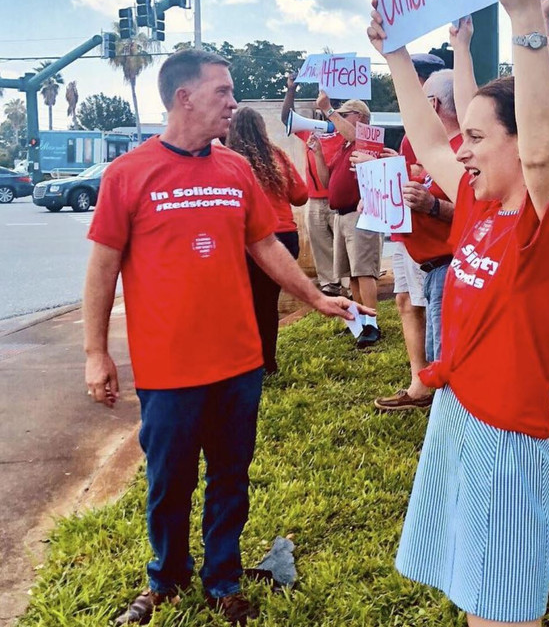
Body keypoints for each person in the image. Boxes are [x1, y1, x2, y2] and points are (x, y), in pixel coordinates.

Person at [83, 49, 369, 626]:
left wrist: (316, 297)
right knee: (169, 481)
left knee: (230, 478)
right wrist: (96, 353)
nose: (233, 102)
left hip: (238, 361)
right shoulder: (128, 174)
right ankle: (165, 578)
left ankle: (223, 579)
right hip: (169, 368)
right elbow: (102, 266)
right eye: (223, 91)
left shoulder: (235, 169)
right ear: (183, 97)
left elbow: (265, 245)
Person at [368, 0, 549, 626]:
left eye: (477, 138)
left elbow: (540, 148)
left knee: (493, 609)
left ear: (517, 144)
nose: (459, 151)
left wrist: (527, 18)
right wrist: (396, 57)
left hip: (506, 434)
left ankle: (541, 557)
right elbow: (429, 140)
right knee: (470, 568)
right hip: (459, 410)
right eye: (462, 137)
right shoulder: (477, 203)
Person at [373, 68, 461, 411]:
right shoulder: (438, 148)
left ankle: (448, 419)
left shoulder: (457, 149)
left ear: (433, 103)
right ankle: (435, 401)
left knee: (445, 355)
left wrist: (433, 205)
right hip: (434, 265)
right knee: (440, 349)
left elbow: (480, 209)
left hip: (448, 264)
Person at [227, 106, 308, 375]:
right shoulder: (278, 156)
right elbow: (300, 196)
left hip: (250, 242)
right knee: (267, 303)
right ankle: (268, 362)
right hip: (286, 239)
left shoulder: (229, 160)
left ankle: (248, 361)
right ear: (262, 128)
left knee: (244, 303)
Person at [309, 99, 383, 349]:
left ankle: (372, 323)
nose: (337, 119)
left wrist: (328, 110)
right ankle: (360, 322)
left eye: (344, 114)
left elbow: (357, 135)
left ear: (359, 117)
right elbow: (326, 180)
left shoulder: (367, 140)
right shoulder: (345, 146)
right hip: (342, 215)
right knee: (351, 273)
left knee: (363, 270)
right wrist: (318, 153)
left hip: (359, 214)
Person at [281, 78, 356, 297]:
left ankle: (349, 283)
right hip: (314, 199)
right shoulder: (311, 130)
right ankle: (329, 283)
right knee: (321, 243)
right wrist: (291, 89)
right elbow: (288, 118)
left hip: (339, 199)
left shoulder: (346, 132)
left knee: (344, 243)